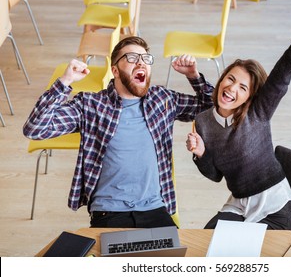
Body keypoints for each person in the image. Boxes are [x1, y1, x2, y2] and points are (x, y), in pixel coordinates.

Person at [23, 36, 214, 228]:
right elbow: (36, 128)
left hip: (155, 209)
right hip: (109, 211)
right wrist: (65, 82)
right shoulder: (91, 104)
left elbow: (214, 107)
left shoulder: (162, 100)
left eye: (146, 59)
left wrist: (193, 76)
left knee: (172, 257)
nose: (141, 62)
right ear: (115, 70)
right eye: (131, 58)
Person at [186, 2, 291, 230]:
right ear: (222, 79)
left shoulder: (257, 112)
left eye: (243, 87)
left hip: (275, 207)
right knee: (209, 245)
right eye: (230, 79)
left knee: (253, 257)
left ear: (250, 97)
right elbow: (215, 175)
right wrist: (201, 153)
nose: (232, 89)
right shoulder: (203, 122)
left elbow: (282, 73)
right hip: (239, 205)